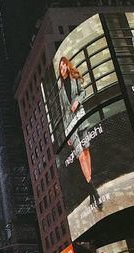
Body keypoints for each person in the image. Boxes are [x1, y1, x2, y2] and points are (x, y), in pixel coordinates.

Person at [58, 56, 102, 209]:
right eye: (61, 66)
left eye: (64, 64)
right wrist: (67, 134)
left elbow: (83, 93)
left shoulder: (74, 79)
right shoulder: (60, 91)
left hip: (81, 117)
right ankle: (95, 192)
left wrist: (77, 100)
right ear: (59, 69)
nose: (63, 67)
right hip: (70, 124)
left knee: (87, 151)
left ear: (67, 66)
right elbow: (63, 113)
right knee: (80, 156)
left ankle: (90, 192)